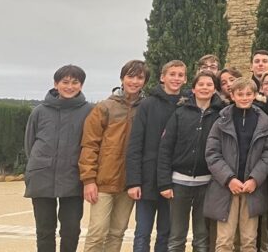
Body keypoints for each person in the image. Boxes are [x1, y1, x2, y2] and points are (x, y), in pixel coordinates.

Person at [80, 60, 149, 252]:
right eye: (130, 76)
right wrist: (88, 180)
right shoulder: (104, 107)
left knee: (117, 233)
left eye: (139, 77)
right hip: (103, 181)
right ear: (122, 78)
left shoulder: (146, 108)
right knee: (97, 233)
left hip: (129, 182)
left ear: (145, 81)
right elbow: (89, 145)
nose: (134, 81)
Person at [25, 65, 94, 252]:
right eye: (65, 82)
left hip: (73, 177)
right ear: (56, 84)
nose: (69, 86)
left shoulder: (89, 111)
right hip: (41, 177)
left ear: (81, 85)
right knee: (44, 230)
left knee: (71, 230)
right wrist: (37, 165)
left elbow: (92, 143)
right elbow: (30, 143)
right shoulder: (39, 111)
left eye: (75, 82)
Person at [205, 78, 268, 252]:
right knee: (224, 240)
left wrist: (255, 179)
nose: (244, 97)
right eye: (240, 94)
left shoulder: (264, 122)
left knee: (249, 241)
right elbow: (212, 153)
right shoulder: (221, 121)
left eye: (248, 94)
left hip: (252, 188)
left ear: (255, 95)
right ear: (232, 95)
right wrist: (229, 179)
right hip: (227, 188)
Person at [158, 71, 225, 252]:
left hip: (207, 184)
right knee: (176, 237)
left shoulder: (220, 115)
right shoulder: (180, 113)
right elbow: (165, 149)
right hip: (179, 183)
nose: (205, 88)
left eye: (209, 85)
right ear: (193, 89)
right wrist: (164, 183)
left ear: (215, 89)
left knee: (202, 237)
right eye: (201, 84)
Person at [127, 60, 187, 252]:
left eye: (180, 75)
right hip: (147, 179)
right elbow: (135, 145)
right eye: (172, 74)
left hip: (174, 180)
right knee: (142, 233)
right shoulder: (148, 104)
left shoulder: (187, 105)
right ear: (163, 77)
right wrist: (133, 181)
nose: (176, 78)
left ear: (185, 79)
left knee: (166, 234)